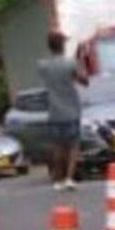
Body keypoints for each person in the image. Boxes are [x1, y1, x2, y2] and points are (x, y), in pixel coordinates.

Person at [39, 31, 89, 191]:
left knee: (58, 147)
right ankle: (69, 178)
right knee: (73, 146)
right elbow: (84, 81)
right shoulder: (71, 63)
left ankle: (57, 179)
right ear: (62, 45)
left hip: (54, 111)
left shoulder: (43, 65)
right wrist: (80, 63)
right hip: (71, 110)